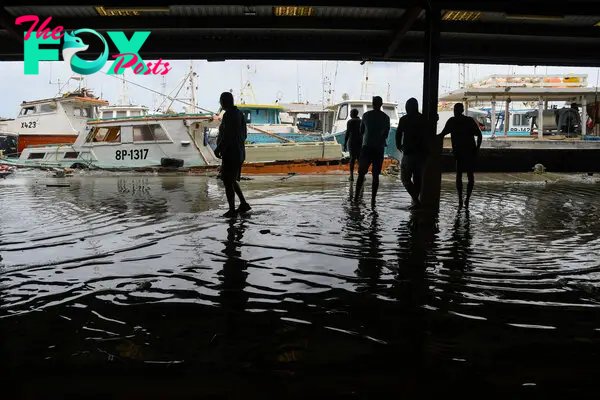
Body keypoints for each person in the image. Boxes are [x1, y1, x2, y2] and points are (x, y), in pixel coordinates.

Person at [214, 92, 251, 217]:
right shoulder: (240, 114)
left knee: (227, 180)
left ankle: (232, 210)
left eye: (221, 101)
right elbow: (244, 135)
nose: (220, 103)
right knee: (232, 179)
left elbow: (227, 135)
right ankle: (243, 204)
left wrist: (218, 148)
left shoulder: (229, 115)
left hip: (231, 153)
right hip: (239, 152)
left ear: (224, 102)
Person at [438, 103, 482, 209]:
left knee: (459, 175)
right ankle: (466, 200)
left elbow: (442, 134)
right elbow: (479, 135)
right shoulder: (469, 121)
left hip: (459, 152)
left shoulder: (452, 121)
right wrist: (477, 149)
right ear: (462, 110)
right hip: (470, 151)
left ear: (455, 110)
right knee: (470, 176)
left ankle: (460, 200)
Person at [354, 96, 390, 205]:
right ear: (381, 104)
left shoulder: (366, 115)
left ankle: (356, 198)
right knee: (375, 175)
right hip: (379, 148)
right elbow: (386, 134)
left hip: (366, 147)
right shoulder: (386, 117)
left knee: (361, 174)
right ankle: (373, 199)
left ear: (373, 103)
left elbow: (361, 131)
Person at [396, 98, 427, 209]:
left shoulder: (404, 119)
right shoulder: (423, 119)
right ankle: (416, 200)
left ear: (408, 107)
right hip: (421, 153)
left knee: (405, 178)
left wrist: (399, 145)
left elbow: (398, 133)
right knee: (417, 177)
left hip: (408, 153)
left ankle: (415, 200)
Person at [343, 108, 362, 181]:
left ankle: (351, 176)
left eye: (350, 113)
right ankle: (362, 175)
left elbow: (347, 133)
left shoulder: (350, 122)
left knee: (352, 159)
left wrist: (345, 143)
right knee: (360, 159)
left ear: (353, 114)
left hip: (352, 142)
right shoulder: (361, 121)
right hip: (360, 142)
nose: (350, 114)